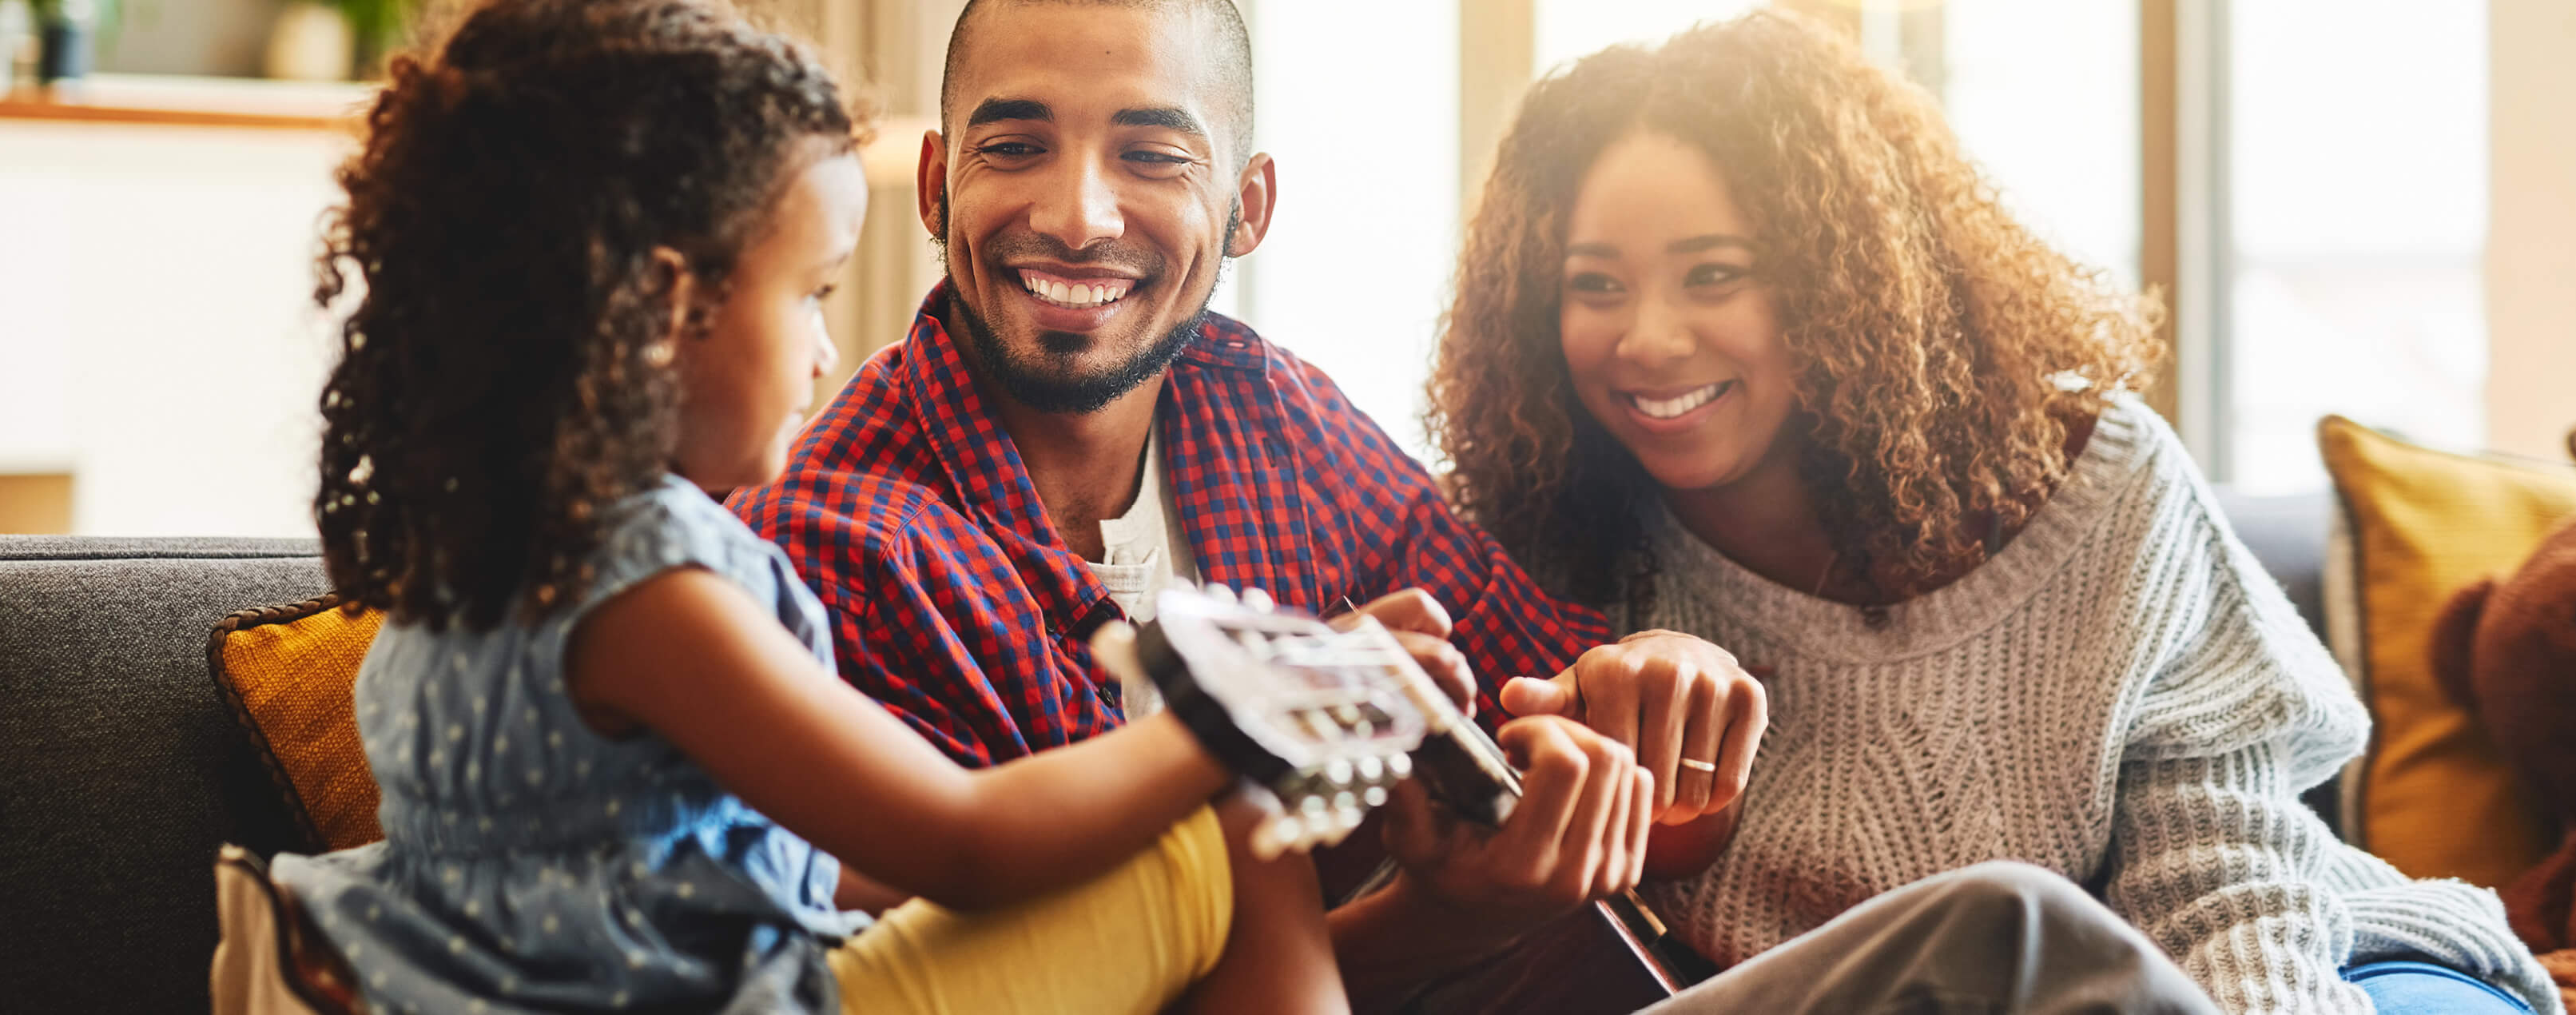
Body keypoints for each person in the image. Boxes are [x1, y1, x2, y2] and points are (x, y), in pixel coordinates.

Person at [733, 2, 2224, 1012]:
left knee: (2016, 935)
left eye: (1149, 154)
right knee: (2016, 940)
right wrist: (1450, 906)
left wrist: (1626, 716)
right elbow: (1119, 987)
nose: (1077, 213)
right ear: (934, 182)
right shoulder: (839, 549)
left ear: (1248, 210)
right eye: (1014, 145)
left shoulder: (1261, 410)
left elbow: (1540, 686)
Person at [1423, 11, 2558, 1015]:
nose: (1649, 339)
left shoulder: (2093, 481)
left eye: (1715, 274)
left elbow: (2223, 887)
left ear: (1842, 280)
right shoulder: (1552, 548)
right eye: (1595, 284)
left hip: (2304, 969)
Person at [266, 2, 1346, 1012]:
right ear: (666, 308)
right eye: (812, 292)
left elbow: (746, 856)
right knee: (1245, 824)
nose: (829, 348)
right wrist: (1247, 708)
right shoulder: (652, 590)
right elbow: (966, 838)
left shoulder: (479, 557)